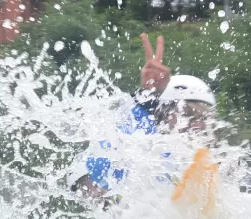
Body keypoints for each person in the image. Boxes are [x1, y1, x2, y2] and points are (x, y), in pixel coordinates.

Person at [69, 34, 217, 201]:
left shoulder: (220, 168)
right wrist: (146, 99)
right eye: (188, 114)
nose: (197, 125)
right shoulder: (140, 149)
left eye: (204, 119)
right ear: (163, 115)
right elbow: (84, 189)